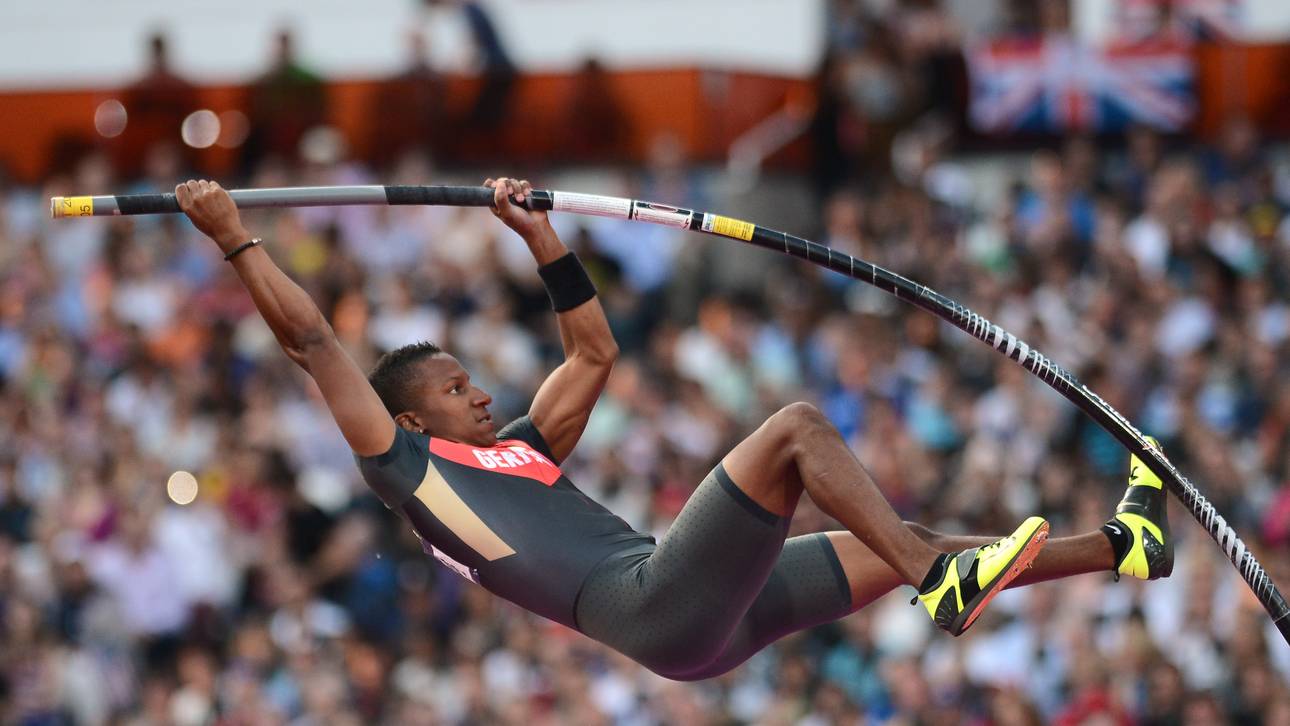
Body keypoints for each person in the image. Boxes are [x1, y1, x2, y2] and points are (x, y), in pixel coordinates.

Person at [174, 177, 1172, 680]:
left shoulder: (517, 448)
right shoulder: (406, 470)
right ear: (407, 415)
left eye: (471, 380)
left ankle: (1121, 550)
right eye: (454, 386)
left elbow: (595, 355)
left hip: (703, 616)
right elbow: (310, 341)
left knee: (894, 546)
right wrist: (234, 237)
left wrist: (542, 238)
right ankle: (937, 584)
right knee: (795, 431)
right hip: (653, 602)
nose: (478, 394)